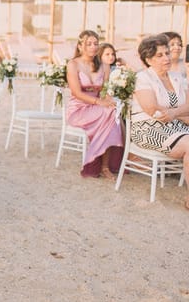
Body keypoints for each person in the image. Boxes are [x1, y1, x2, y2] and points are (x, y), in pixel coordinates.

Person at [129, 34, 189, 211]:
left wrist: (174, 113)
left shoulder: (177, 77)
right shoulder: (142, 78)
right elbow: (152, 110)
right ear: (148, 59)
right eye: (160, 55)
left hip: (176, 125)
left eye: (167, 53)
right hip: (147, 128)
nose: (167, 58)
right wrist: (180, 114)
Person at [66, 30, 123, 179]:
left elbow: (106, 90)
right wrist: (100, 102)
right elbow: (76, 93)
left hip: (98, 108)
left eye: (96, 43)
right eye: (89, 43)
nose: (93, 46)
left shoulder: (103, 65)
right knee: (110, 114)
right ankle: (100, 165)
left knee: (113, 112)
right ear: (80, 46)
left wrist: (108, 100)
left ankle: (104, 166)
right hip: (78, 109)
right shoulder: (73, 64)